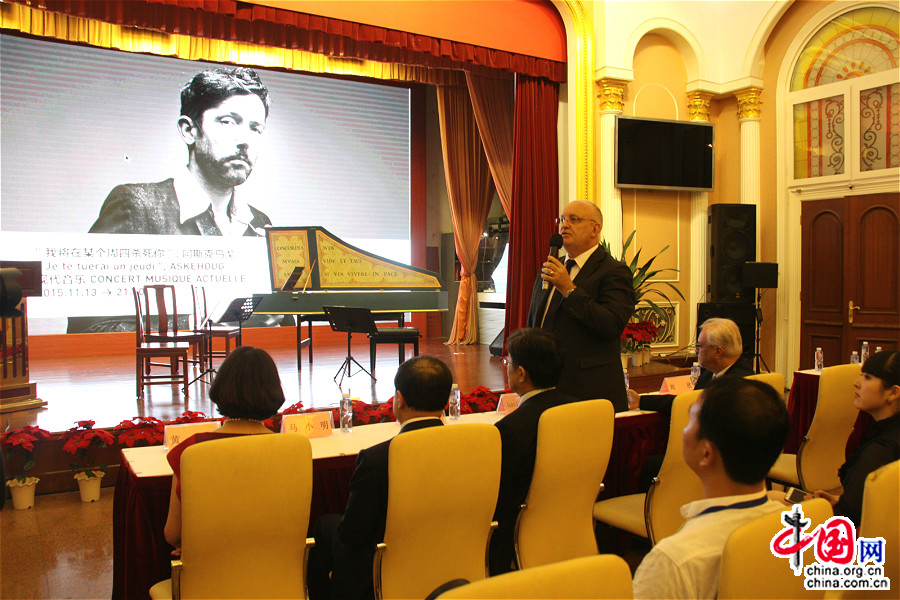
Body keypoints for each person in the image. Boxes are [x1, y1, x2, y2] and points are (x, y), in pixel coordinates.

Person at [307, 356, 453, 600]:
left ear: (399, 400)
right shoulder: (471, 447)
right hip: (451, 547)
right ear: (447, 401)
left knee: (325, 526)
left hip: (388, 558)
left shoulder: (376, 459)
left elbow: (353, 533)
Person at [632, 377, 789, 600]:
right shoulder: (797, 531)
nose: (683, 430)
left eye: (689, 421)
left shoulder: (676, 561)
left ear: (706, 454)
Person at [89, 67, 272, 236]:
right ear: (188, 131)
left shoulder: (259, 222)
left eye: (255, 128)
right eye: (227, 122)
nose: (244, 141)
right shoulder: (137, 206)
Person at [163, 346, 285, 550]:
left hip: (208, 574)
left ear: (221, 387)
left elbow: (172, 534)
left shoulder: (193, 449)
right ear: (273, 390)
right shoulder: (290, 449)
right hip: (278, 570)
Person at [527, 200, 635, 411]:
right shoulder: (552, 266)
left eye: (574, 220)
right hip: (544, 384)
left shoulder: (614, 271)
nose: (564, 225)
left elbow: (611, 324)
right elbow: (536, 320)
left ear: (595, 229)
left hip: (588, 389)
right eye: (562, 219)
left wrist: (569, 289)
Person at [489, 328, 579, 575]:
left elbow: (503, 495)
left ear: (521, 374)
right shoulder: (578, 410)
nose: (506, 367)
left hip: (518, 531)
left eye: (508, 362)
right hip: (571, 519)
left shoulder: (510, 429)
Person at [811, 350, 899, 526]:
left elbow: (845, 523)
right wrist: (841, 500)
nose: (856, 383)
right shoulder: (888, 434)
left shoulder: (880, 450)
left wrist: (817, 510)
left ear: (893, 393)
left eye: (867, 377)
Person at [628, 317, 754, 415]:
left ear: (718, 352)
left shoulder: (740, 383)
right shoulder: (709, 373)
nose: (696, 351)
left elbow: (693, 406)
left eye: (699, 346)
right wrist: (641, 401)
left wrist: (642, 401)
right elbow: (688, 402)